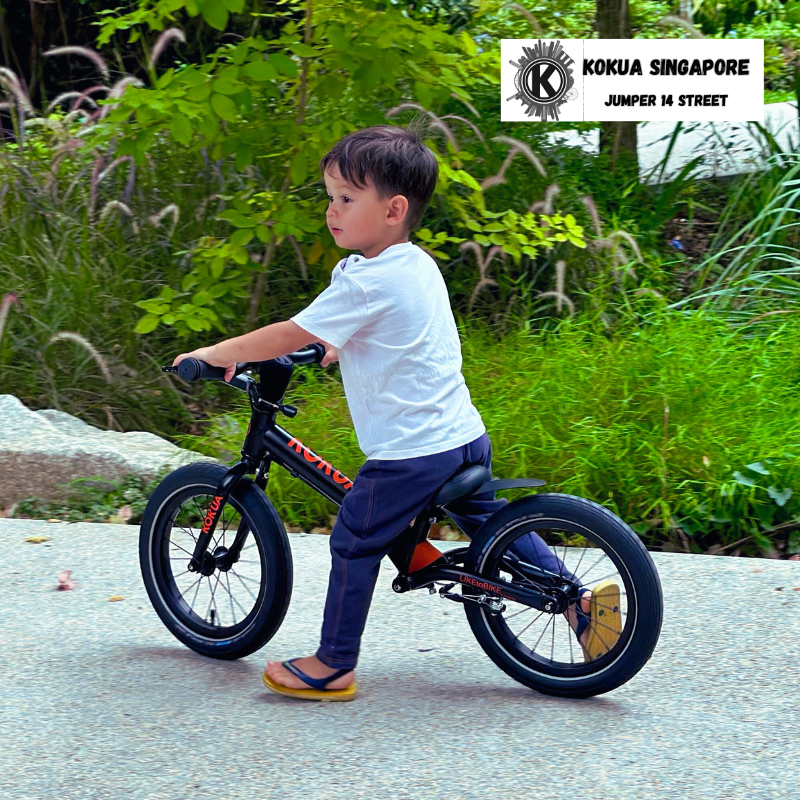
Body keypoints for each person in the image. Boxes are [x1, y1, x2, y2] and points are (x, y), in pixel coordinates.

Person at [173, 123, 619, 702]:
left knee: (356, 537)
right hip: (462, 435)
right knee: (487, 519)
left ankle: (334, 663)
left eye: (347, 199)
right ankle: (577, 600)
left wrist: (214, 354)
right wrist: (334, 343)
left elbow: (291, 330)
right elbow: (383, 327)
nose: (332, 211)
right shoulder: (411, 264)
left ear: (394, 209)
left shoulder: (365, 281)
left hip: (411, 453)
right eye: (330, 197)